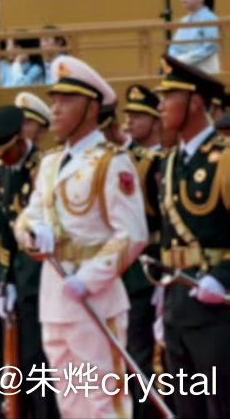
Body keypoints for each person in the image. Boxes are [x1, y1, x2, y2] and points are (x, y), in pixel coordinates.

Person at [13, 57, 148, 419]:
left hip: (95, 299)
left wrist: (88, 280)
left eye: (65, 101)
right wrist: (30, 235)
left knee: (104, 404)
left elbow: (133, 235)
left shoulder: (111, 162)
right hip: (55, 296)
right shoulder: (51, 162)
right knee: (70, 404)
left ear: (90, 108)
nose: (55, 109)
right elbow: (29, 213)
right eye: (53, 100)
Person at [152, 56, 230, 416]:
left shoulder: (225, 159)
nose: (161, 105)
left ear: (195, 102)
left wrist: (222, 278)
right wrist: (161, 300)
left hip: (216, 308)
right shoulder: (169, 162)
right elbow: (169, 238)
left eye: (169, 97)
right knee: (186, 408)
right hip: (178, 303)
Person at [0, 104, 52, 419]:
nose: (0, 159)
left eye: (4, 151)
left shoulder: (42, 167)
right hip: (22, 280)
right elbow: (7, 231)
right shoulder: (4, 172)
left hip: (46, 277)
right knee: (26, 360)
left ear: (19, 140)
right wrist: (4, 282)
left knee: (45, 363)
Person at [119, 83, 163, 405]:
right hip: (132, 267)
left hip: (162, 261)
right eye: (128, 116)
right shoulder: (124, 160)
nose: (129, 122)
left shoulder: (165, 159)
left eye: (137, 116)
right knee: (134, 354)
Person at [168, 0, 220, 74]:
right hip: (183, 69)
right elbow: (174, 47)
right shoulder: (184, 20)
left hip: (204, 70)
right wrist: (172, 60)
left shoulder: (209, 18)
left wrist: (183, 60)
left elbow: (210, 47)